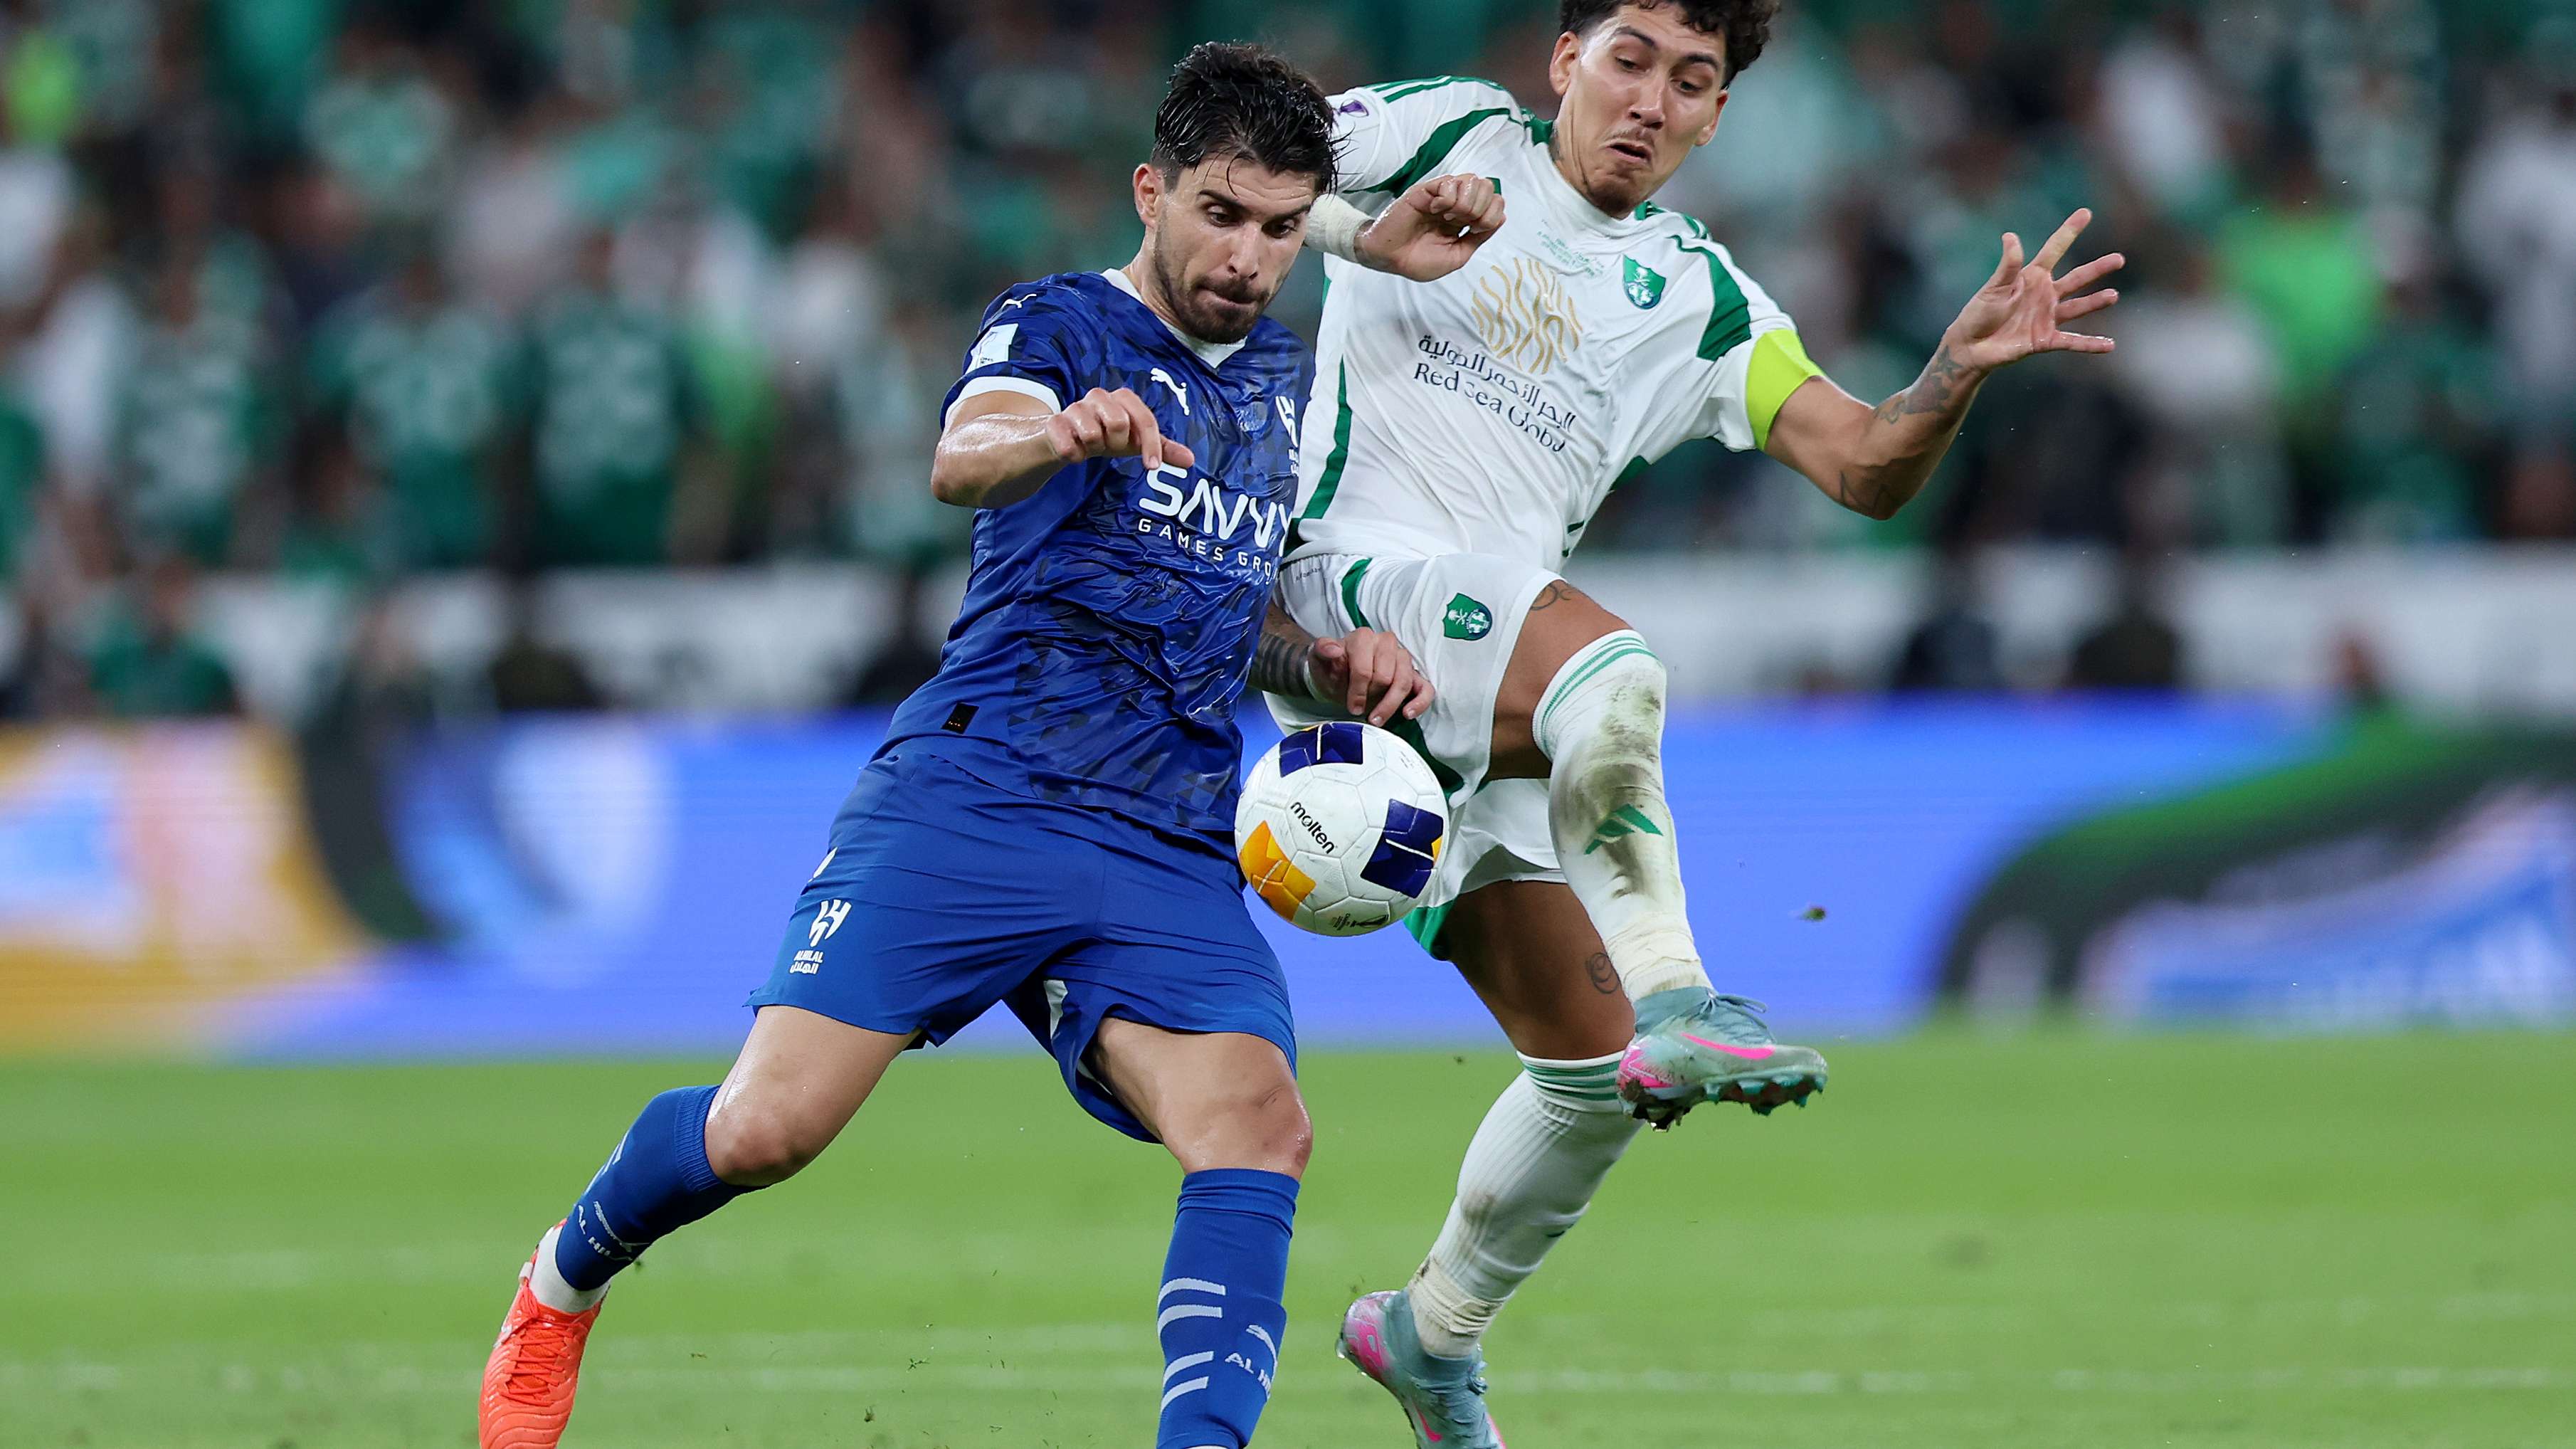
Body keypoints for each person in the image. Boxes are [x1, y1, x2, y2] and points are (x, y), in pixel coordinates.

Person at [476, 43, 1490, 1449]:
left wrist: (1320, 657)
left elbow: (1226, 601)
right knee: (765, 1130)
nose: (1247, 255)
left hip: (1167, 828)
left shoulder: (1281, 384)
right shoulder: (1061, 324)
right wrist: (1066, 434)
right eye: (1218, 212)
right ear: (1152, 192)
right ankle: (556, 1284)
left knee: (1256, 1125)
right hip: (981, 792)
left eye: (1276, 226)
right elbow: (965, 451)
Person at [1262, 2, 2126, 1440]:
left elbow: (1859, 465)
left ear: (1718, 114)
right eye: (1627, 60)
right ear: (1563, 63)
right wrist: (1369, 228)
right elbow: (1240, 172)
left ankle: (1429, 1331)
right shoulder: (1449, 128)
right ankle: (1683, 991)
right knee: (1614, 668)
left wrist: (1950, 376)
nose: (1651, 100)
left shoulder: (1697, 292)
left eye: (1691, 79)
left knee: (1590, 1080)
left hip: (1484, 675)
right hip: (1343, 586)